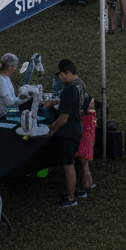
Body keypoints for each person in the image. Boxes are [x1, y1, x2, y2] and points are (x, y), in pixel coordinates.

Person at [48, 58, 84, 208]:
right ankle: (75, 191)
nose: (60, 79)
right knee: (73, 163)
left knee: (68, 165)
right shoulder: (80, 83)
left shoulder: (69, 90)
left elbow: (63, 118)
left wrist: (52, 128)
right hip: (77, 128)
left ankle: (70, 199)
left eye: (61, 75)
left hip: (68, 132)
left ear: (67, 73)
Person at [0, 53, 20, 122]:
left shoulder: (4, 77)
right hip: (1, 116)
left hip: (5, 111)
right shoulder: (2, 81)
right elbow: (10, 103)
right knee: (23, 115)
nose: (15, 68)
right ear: (10, 67)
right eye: (13, 65)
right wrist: (24, 97)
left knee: (23, 109)